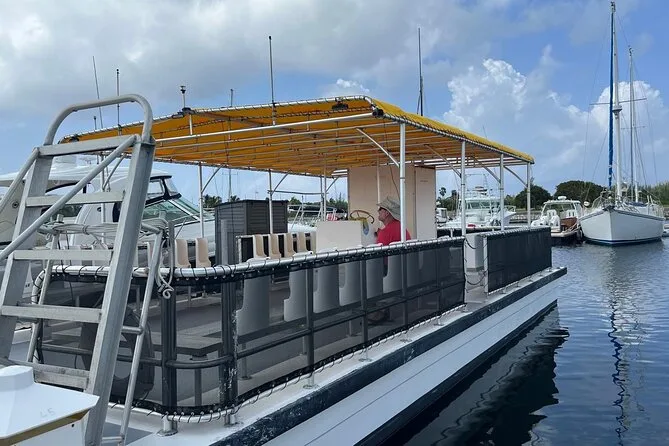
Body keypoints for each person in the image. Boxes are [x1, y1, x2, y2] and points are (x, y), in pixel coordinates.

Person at [368, 196, 411, 324]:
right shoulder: (402, 228)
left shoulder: (385, 232)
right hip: (403, 269)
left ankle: (377, 312)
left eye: (380, 209)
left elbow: (376, 256)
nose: (378, 211)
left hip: (388, 271)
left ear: (387, 213)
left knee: (367, 273)